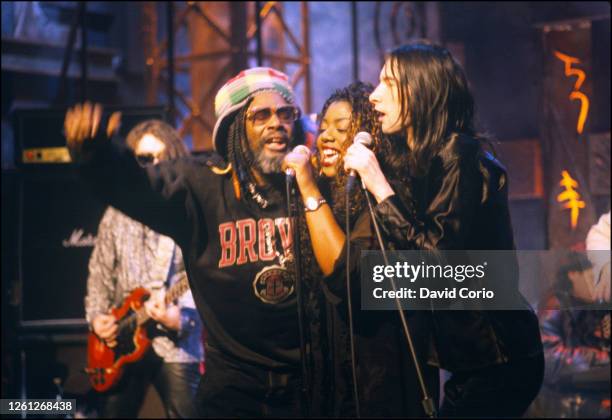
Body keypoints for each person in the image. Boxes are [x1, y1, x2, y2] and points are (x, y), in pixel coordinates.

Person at [65, 67, 307, 417]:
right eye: (261, 114)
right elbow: (138, 189)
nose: (277, 123)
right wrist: (94, 156)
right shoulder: (204, 187)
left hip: (306, 385)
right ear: (236, 127)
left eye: (286, 113)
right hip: (234, 391)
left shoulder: (310, 185)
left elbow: (366, 271)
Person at [338, 41, 544, 417]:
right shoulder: (426, 160)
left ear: (419, 91)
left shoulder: (459, 156)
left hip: (499, 356)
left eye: (388, 84)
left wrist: (378, 185)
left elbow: (436, 257)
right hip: (475, 361)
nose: (375, 97)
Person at [284, 81, 438, 417]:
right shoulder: (333, 202)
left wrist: (309, 188)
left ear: (370, 141)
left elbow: (348, 276)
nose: (325, 136)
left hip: (382, 389)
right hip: (334, 386)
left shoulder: (390, 197)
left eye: (340, 128)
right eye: (322, 127)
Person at [85, 119, 204, 418]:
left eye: (163, 158)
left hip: (175, 341)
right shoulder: (116, 212)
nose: (155, 166)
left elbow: (203, 271)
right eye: (145, 159)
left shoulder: (190, 208)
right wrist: (98, 317)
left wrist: (182, 317)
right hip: (122, 340)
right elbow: (100, 272)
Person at [535, 252, 610, 418]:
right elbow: (549, 359)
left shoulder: (596, 305)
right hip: (567, 402)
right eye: (593, 278)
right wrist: (603, 358)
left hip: (592, 393)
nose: (598, 286)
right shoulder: (554, 306)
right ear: (573, 275)